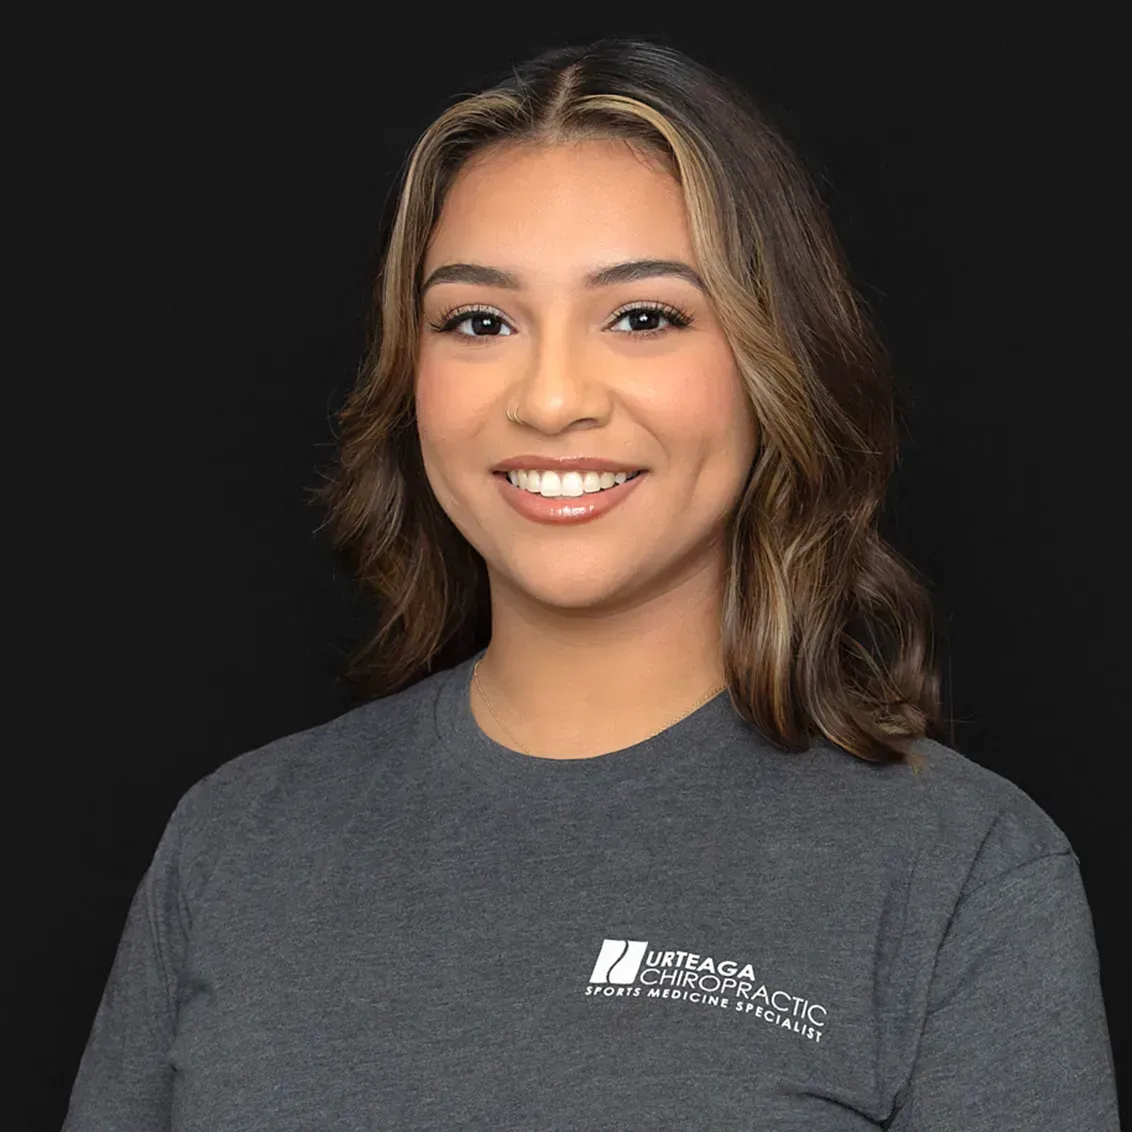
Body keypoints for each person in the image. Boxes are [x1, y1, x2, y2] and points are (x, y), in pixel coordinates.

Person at [63, 37, 1119, 1131]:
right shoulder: (236, 841)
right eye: (480, 321)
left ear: (777, 365)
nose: (551, 397)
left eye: (643, 316)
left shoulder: (963, 874)